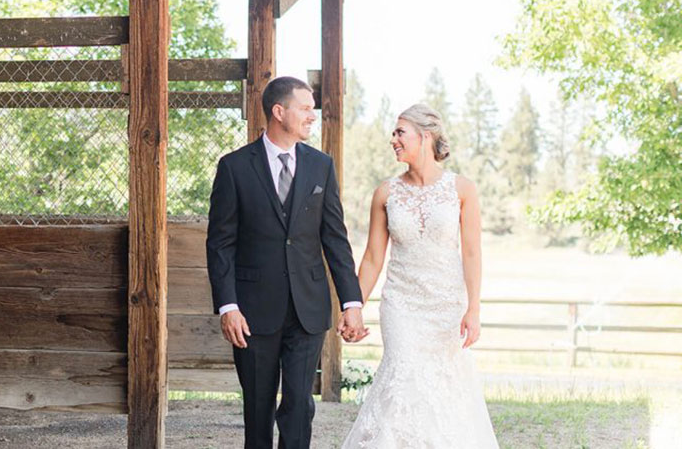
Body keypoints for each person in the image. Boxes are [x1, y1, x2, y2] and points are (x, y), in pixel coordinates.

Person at [206, 76, 366, 449]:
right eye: (305, 109)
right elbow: (220, 244)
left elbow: (335, 239)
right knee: (258, 410)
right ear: (279, 112)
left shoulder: (320, 166)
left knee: (299, 407)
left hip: (307, 308)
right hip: (253, 312)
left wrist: (352, 302)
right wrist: (228, 306)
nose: (313, 116)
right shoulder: (234, 168)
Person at [341, 103, 499, 447]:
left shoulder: (462, 189)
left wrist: (474, 308)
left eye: (400, 132)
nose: (393, 140)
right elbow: (371, 258)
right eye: (394, 133)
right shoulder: (386, 193)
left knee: (444, 390)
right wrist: (353, 307)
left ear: (425, 136)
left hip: (446, 306)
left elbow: (472, 253)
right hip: (402, 305)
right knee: (404, 378)